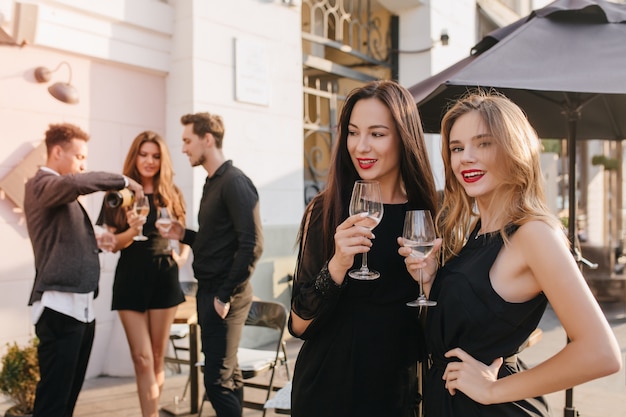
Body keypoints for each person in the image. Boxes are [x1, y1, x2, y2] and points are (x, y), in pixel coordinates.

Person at [400, 91, 622, 417]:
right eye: (457, 148)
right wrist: (431, 280)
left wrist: (493, 389)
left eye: (484, 143)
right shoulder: (479, 231)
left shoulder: (534, 234)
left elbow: (601, 353)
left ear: (513, 149)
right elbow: (478, 326)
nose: (465, 157)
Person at [288, 80, 439, 417]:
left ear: (404, 137)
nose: (361, 146)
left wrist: (429, 283)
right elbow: (298, 325)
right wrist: (338, 264)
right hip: (327, 391)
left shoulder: (427, 218)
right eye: (353, 133)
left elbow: (437, 325)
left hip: (396, 393)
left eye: (377, 134)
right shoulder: (325, 210)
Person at [24, 123, 143, 417]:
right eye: (79, 156)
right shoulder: (41, 185)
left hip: (81, 309)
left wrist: (100, 238)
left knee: (67, 402)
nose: (82, 164)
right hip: (59, 309)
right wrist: (123, 181)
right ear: (57, 151)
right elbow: (77, 183)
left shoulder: (59, 192)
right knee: (53, 403)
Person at [157, 112, 263, 417]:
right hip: (210, 292)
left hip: (224, 296)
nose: (183, 148)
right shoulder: (212, 182)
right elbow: (219, 240)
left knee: (216, 381)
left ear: (208, 139)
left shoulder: (235, 182)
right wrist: (185, 235)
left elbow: (252, 244)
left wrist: (224, 294)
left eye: (187, 140)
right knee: (228, 375)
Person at [97, 131, 190, 417]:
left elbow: (184, 236)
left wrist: (181, 257)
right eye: (144, 154)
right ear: (134, 156)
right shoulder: (118, 194)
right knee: (142, 357)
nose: (149, 161)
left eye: (156, 155)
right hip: (130, 276)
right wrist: (133, 230)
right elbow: (113, 245)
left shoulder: (171, 193)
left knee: (158, 358)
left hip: (164, 275)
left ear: (162, 160)